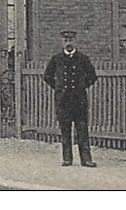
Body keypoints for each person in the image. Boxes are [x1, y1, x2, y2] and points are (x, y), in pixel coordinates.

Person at [43, 30, 98, 167]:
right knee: (65, 131)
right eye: (66, 41)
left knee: (82, 130)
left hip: (79, 101)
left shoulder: (83, 59)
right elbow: (47, 77)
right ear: (62, 42)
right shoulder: (56, 59)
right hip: (63, 101)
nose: (68, 43)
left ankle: (86, 159)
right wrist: (59, 88)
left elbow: (92, 76)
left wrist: (81, 86)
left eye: (71, 40)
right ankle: (67, 158)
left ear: (75, 41)